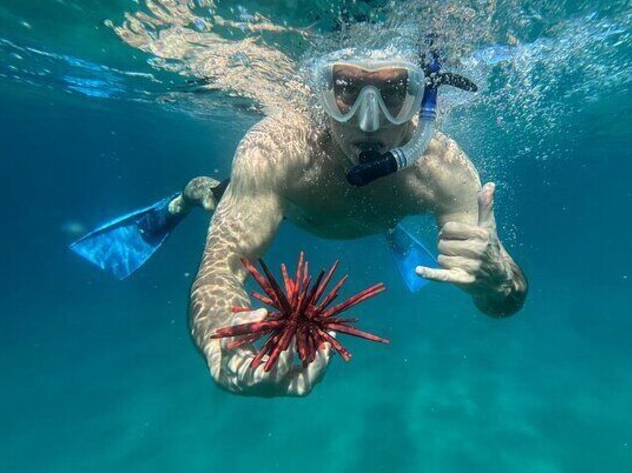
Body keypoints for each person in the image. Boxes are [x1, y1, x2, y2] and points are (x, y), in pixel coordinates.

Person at [180, 49, 528, 397]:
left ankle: (389, 227)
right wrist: (220, 337)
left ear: (417, 100)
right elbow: (219, 268)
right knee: (211, 197)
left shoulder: (443, 170)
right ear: (323, 93)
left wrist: (497, 282)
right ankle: (189, 196)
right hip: (292, 212)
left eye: (391, 92)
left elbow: (501, 303)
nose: (368, 121)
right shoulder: (276, 150)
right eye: (347, 88)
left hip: (375, 219)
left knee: (385, 221)